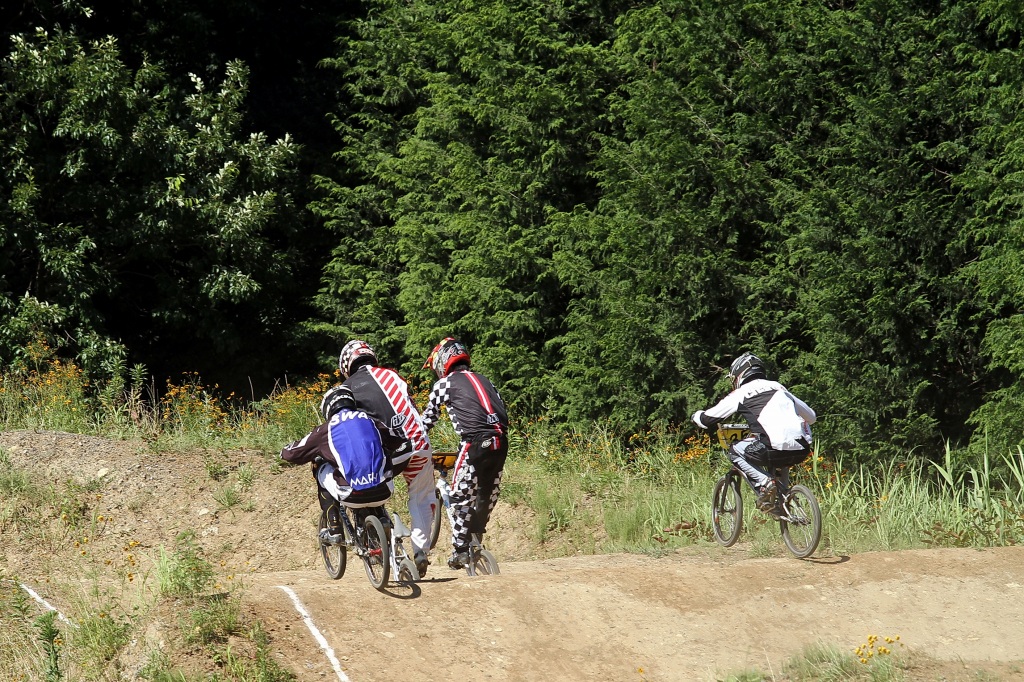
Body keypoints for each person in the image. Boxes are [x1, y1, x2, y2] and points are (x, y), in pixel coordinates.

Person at [334, 339, 435, 577]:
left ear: (346, 366)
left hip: (389, 451)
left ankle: (384, 543)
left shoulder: (347, 389)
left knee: (371, 493)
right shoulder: (394, 376)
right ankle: (420, 550)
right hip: (418, 442)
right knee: (422, 496)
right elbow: (412, 409)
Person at [420, 337, 509, 569]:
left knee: (460, 497)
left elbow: (426, 421)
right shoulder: (485, 380)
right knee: (486, 493)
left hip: (474, 443)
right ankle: (476, 539)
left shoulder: (445, 384)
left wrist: (411, 443)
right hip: (500, 442)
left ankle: (460, 550)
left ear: (442, 361)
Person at [280, 385, 408, 543]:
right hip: (384, 490)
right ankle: (383, 520)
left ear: (328, 408)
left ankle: (334, 528)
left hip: (350, 494)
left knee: (320, 469)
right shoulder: (371, 420)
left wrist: (283, 451)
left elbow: (292, 453)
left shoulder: (325, 430)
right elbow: (397, 439)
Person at [691, 352, 816, 510]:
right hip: (802, 448)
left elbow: (708, 419)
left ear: (739, 375)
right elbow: (811, 417)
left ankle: (765, 482)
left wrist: (696, 416)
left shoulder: (740, 393)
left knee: (734, 451)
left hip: (772, 447)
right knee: (780, 455)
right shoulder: (779, 387)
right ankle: (782, 503)